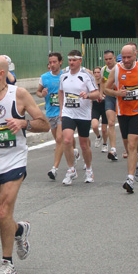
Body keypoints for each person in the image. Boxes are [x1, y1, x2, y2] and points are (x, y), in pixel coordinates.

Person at [0, 55, 49, 274]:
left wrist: (23, 123)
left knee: (4, 211)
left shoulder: (20, 95)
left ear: (1, 73)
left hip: (14, 161)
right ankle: (19, 230)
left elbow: (44, 124)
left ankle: (7, 263)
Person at [104, 44, 138, 194]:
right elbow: (106, 89)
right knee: (127, 146)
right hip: (123, 111)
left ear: (135, 54)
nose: (126, 60)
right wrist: (118, 93)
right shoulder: (116, 69)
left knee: (132, 145)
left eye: (129, 57)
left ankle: (129, 179)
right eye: (123, 57)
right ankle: (136, 163)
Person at [59, 50, 99, 186]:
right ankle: (71, 169)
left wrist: (87, 95)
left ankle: (88, 169)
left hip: (83, 114)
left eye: (74, 60)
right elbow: (61, 92)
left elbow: (96, 93)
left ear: (80, 61)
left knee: (83, 144)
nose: (71, 63)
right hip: (68, 113)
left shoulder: (86, 76)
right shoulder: (63, 76)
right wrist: (61, 110)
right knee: (67, 140)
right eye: (70, 60)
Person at [36, 52, 65, 180]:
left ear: (60, 62)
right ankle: (74, 150)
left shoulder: (65, 76)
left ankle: (54, 168)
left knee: (59, 139)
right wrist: (42, 94)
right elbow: (37, 92)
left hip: (63, 112)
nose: (52, 65)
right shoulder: (44, 77)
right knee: (59, 140)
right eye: (50, 62)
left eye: (54, 62)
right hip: (50, 112)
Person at [100, 50, 119, 161]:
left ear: (114, 58)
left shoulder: (120, 68)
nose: (108, 61)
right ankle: (113, 149)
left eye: (110, 59)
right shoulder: (103, 70)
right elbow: (102, 82)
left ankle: (127, 148)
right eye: (106, 59)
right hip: (109, 97)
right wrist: (101, 93)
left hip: (121, 97)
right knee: (111, 122)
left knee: (122, 122)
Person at [91, 66, 108, 151]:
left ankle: (105, 144)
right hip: (95, 106)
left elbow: (109, 92)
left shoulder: (104, 82)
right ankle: (98, 136)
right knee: (94, 125)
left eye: (99, 72)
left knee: (104, 129)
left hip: (105, 106)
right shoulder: (91, 83)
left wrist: (104, 95)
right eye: (95, 72)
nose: (97, 74)